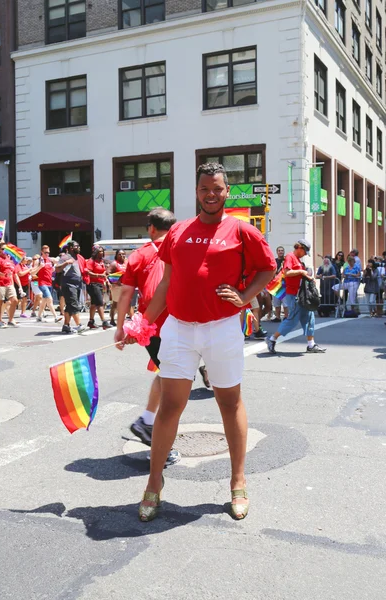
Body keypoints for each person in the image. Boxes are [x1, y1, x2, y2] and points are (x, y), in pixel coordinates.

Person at [117, 163, 276, 522]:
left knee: (229, 402)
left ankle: (237, 480)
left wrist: (245, 295)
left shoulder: (242, 230)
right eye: (205, 189)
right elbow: (164, 285)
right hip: (178, 329)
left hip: (222, 328)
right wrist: (140, 323)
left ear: (226, 192)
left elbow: (268, 268)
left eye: (217, 189)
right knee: (171, 406)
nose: (211, 194)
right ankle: (153, 483)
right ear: (197, 191)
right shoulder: (179, 231)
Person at [114, 208, 181, 467]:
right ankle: (159, 443)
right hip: (178, 324)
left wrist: (121, 327)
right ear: (172, 228)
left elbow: (125, 294)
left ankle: (147, 421)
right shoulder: (179, 248)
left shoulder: (138, 255)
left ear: (151, 228)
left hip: (150, 327)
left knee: (167, 376)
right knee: (174, 385)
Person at [266, 240, 326, 354]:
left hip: (300, 294)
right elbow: (287, 273)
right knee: (292, 319)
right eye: (305, 251)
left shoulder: (297, 259)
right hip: (293, 295)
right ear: (299, 247)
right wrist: (302, 272)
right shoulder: (290, 256)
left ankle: (311, 345)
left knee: (309, 317)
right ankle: (272, 339)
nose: (305, 254)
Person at [54, 241, 87, 334]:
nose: (79, 247)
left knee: (69, 306)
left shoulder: (77, 257)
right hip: (68, 284)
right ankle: (79, 324)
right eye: (77, 246)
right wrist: (66, 263)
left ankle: (66, 326)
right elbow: (57, 269)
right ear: (71, 248)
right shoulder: (65, 257)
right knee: (73, 304)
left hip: (77, 284)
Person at [0, 242, 20, 328]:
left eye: (6, 249)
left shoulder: (10, 259)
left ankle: (10, 320)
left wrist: (15, 284)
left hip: (9, 283)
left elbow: (13, 273)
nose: (5, 251)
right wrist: (4, 275)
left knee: (15, 300)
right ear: (0, 250)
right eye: (3, 249)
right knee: (0, 302)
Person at [86, 245, 112, 330]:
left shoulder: (101, 261)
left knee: (94, 303)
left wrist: (106, 281)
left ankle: (91, 321)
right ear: (95, 252)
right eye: (99, 251)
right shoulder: (91, 261)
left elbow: (104, 273)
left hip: (100, 284)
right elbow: (88, 272)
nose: (101, 253)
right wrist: (98, 275)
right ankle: (104, 321)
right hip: (93, 284)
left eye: (102, 251)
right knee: (100, 302)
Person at [34, 245, 62, 323]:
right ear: (41, 252)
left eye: (48, 252)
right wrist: (39, 267)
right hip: (42, 283)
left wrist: (54, 268)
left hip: (49, 283)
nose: (47, 254)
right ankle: (56, 317)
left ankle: (39, 316)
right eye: (45, 252)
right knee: (50, 299)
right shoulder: (38, 261)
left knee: (44, 301)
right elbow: (32, 272)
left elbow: (59, 261)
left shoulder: (50, 260)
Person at [109, 250, 127, 326]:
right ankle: (112, 319)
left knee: (126, 303)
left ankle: (124, 319)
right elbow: (108, 273)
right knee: (115, 304)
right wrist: (116, 281)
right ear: (116, 255)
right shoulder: (114, 264)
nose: (121, 255)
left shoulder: (127, 263)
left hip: (125, 285)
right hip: (116, 286)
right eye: (119, 254)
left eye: (123, 254)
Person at [271, 246, 288, 322]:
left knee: (285, 302)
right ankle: (277, 317)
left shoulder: (286, 260)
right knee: (276, 302)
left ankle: (286, 316)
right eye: (279, 250)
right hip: (276, 284)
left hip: (284, 283)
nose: (280, 252)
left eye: (282, 250)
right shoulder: (274, 261)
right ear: (277, 252)